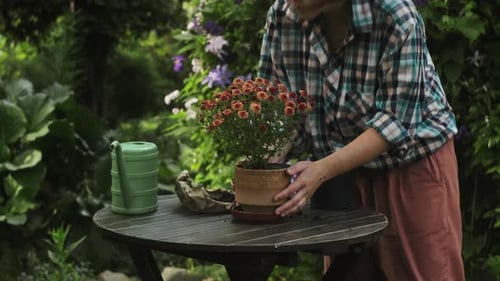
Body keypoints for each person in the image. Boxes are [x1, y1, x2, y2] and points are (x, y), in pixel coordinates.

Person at [257, 0, 465, 280]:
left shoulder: (395, 14)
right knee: (348, 275)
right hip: (338, 175)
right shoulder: (283, 15)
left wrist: (321, 170)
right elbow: (278, 110)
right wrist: (263, 168)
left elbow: (396, 121)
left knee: (422, 273)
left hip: (411, 168)